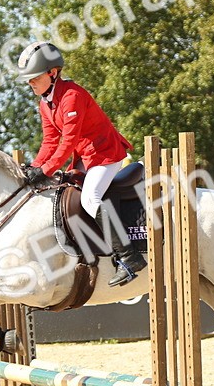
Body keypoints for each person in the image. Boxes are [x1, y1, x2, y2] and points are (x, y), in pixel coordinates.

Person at [16, 40, 143, 287]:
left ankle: (129, 256)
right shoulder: (45, 103)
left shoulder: (72, 96)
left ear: (52, 73)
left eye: (34, 77)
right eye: (28, 79)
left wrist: (46, 169)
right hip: (86, 157)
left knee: (90, 198)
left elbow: (68, 140)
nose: (30, 83)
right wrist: (34, 166)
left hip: (105, 154)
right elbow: (50, 141)